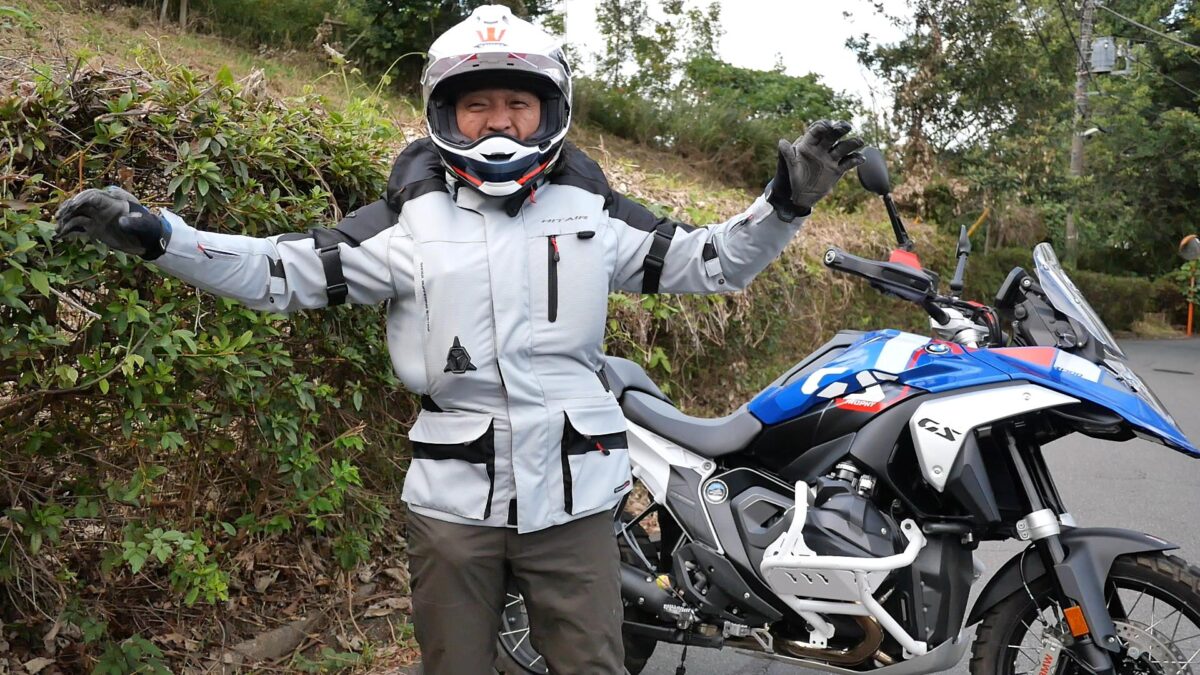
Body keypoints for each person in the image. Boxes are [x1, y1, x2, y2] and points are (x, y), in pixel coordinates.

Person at [54, 5, 865, 673]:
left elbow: (712, 261)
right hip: (451, 507)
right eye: (478, 103)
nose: (499, 120)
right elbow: (279, 272)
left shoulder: (593, 212)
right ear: (446, 113)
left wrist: (785, 203)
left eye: (517, 102)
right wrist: (162, 237)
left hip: (576, 502)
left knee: (592, 665)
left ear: (550, 111)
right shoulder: (406, 221)